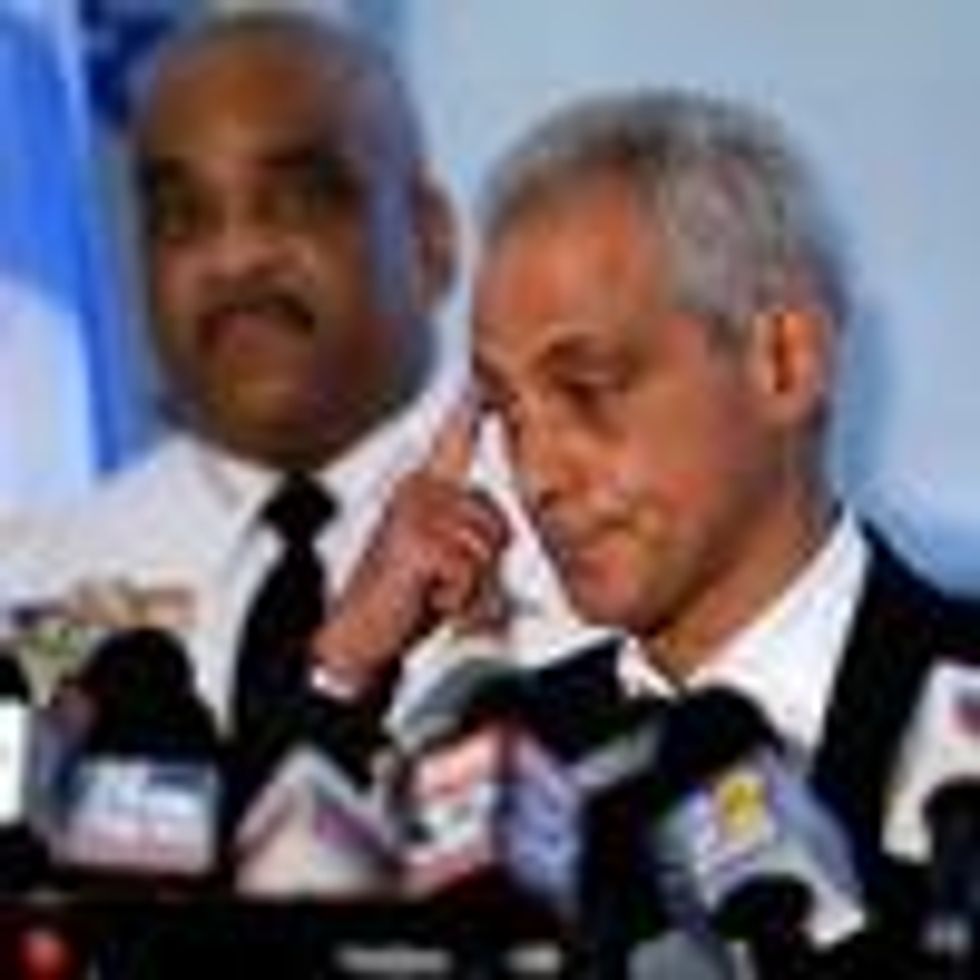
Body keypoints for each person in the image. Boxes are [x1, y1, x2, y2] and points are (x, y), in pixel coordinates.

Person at [441, 89, 976, 972]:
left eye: (587, 389)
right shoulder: (504, 765)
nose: (535, 474)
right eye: (507, 410)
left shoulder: (961, 696)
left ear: (784, 361)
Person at [0, 7, 491, 782]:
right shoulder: (35, 576)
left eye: (298, 199)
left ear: (431, 237)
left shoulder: (576, 527)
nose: (235, 258)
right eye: (181, 217)